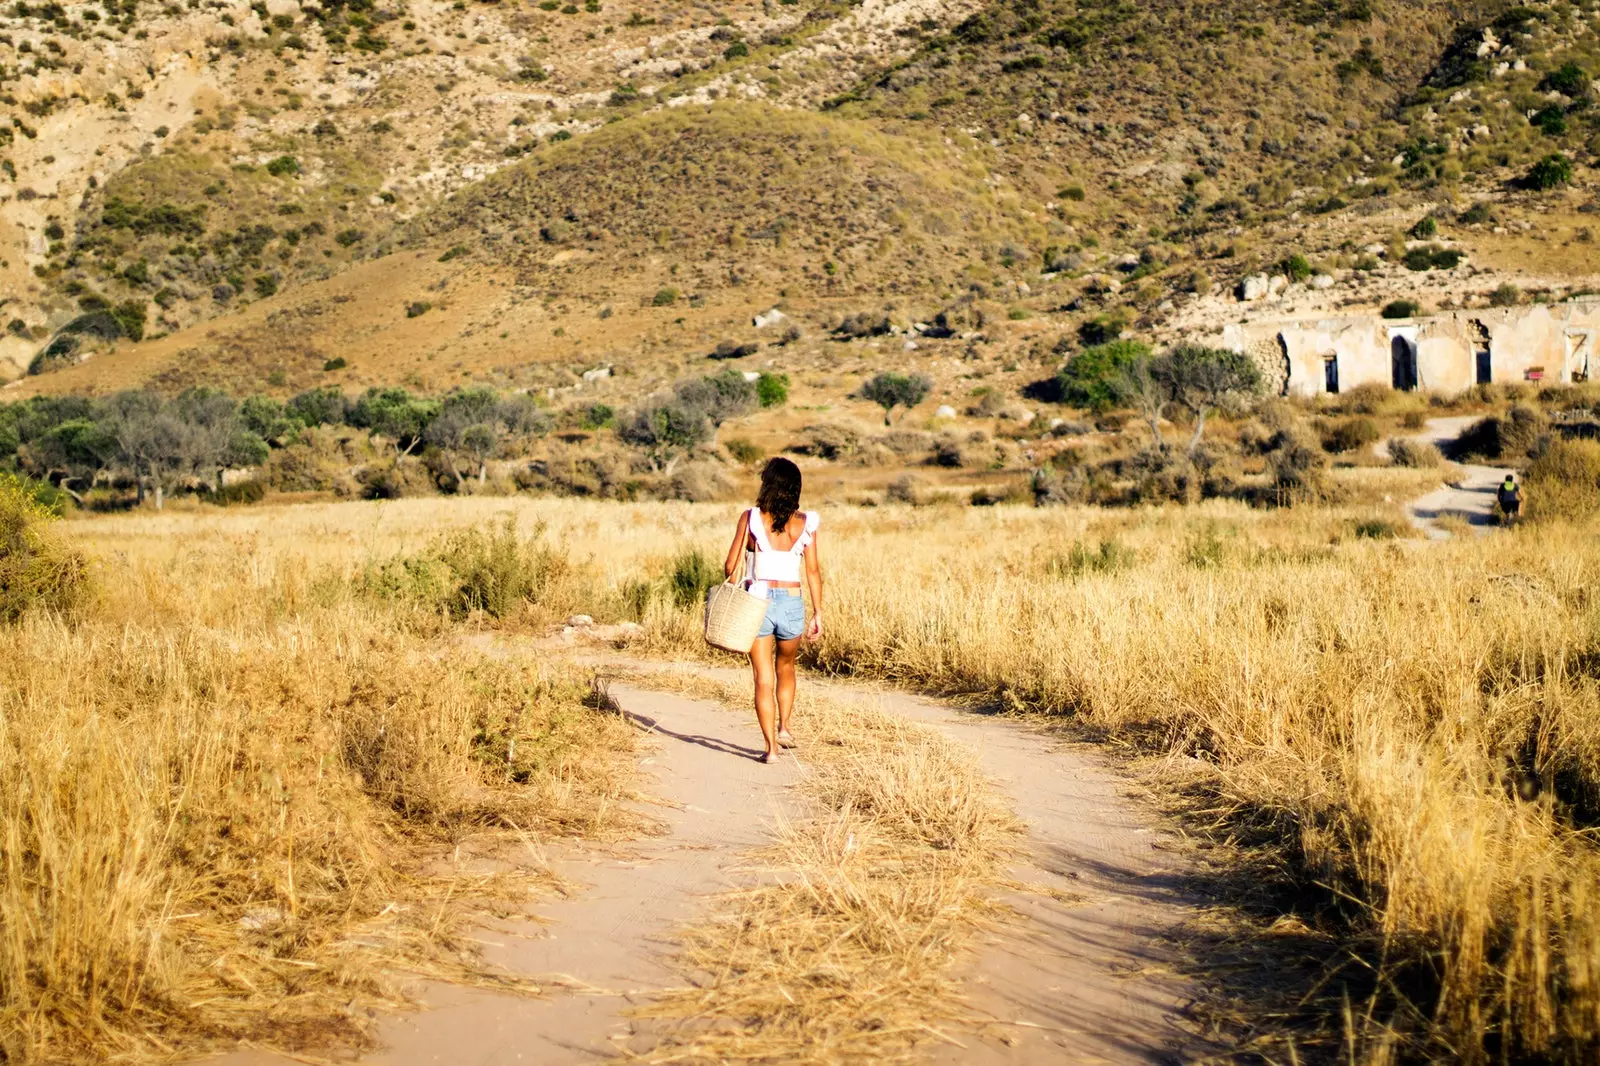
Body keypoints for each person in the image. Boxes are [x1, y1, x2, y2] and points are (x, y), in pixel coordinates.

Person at [723, 457, 823, 763]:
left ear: (767, 484)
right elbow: (814, 571)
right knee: (787, 668)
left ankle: (770, 750)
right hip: (792, 601)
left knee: (762, 677)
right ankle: (785, 728)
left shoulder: (750, 518)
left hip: (759, 602)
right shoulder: (806, 522)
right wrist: (818, 613)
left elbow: (730, 566)